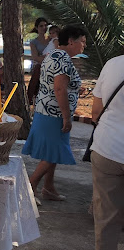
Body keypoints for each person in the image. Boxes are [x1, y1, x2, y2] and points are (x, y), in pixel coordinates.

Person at [23, 25, 87, 205]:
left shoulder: (53, 54)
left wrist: (74, 89)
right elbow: (59, 89)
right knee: (53, 153)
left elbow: (57, 84)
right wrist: (66, 117)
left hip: (46, 110)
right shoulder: (62, 58)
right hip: (54, 114)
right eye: (82, 42)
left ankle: (48, 187)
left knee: (53, 151)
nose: (84, 46)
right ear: (71, 41)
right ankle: (30, 186)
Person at [90, 53, 124, 250]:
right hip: (109, 150)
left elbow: (95, 112)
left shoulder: (113, 64)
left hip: (108, 148)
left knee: (106, 219)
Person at [27, 17, 51, 105]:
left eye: (45, 25)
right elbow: (35, 57)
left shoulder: (52, 40)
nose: (44, 28)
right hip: (40, 69)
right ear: (37, 28)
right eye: (41, 26)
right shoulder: (33, 42)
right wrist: (48, 58)